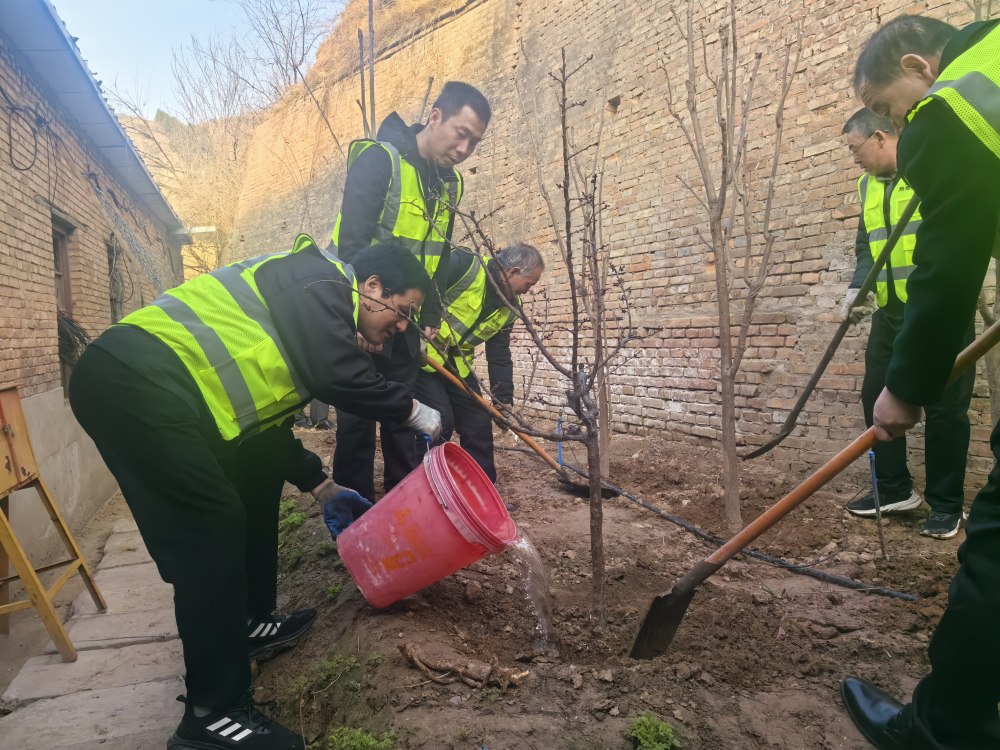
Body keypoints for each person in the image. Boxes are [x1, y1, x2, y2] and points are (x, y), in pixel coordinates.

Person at [68, 235, 442, 750]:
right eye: (404, 311)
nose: (402, 327)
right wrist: (412, 410)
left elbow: (264, 435)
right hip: (134, 378)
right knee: (209, 527)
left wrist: (320, 484)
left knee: (253, 479)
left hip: (165, 387)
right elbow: (337, 374)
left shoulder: (311, 312)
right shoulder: (319, 280)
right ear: (372, 286)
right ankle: (212, 713)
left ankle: (246, 622)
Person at [839, 14, 1000, 750]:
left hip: (924, 320)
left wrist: (903, 389)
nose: (899, 125)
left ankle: (943, 729)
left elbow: (946, 263)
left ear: (918, 67)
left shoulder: (956, 102)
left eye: (890, 109)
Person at [330, 81, 491, 502]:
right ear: (435, 116)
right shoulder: (379, 161)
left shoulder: (450, 184)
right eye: (461, 133)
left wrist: (431, 315)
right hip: (364, 314)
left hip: (406, 321)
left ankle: (403, 510)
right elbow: (350, 246)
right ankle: (354, 516)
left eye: (474, 142)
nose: (465, 149)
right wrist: (358, 316)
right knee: (357, 425)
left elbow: (438, 256)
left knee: (402, 420)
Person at [840, 107, 974, 539]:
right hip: (891, 309)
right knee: (874, 396)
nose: (854, 159)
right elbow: (867, 244)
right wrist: (859, 288)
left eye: (856, 149)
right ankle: (895, 489)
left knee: (945, 407)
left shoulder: (929, 168)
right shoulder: (866, 185)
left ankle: (947, 505)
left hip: (940, 307)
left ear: (880, 137)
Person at [417, 242, 544, 480]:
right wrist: (415, 332)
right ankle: (427, 483)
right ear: (512, 272)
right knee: (440, 420)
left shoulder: (511, 306)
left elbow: (499, 353)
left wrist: (502, 400)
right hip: (423, 358)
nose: (527, 292)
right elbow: (424, 292)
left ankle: (481, 486)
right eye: (528, 285)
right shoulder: (465, 265)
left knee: (478, 421)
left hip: (458, 365)